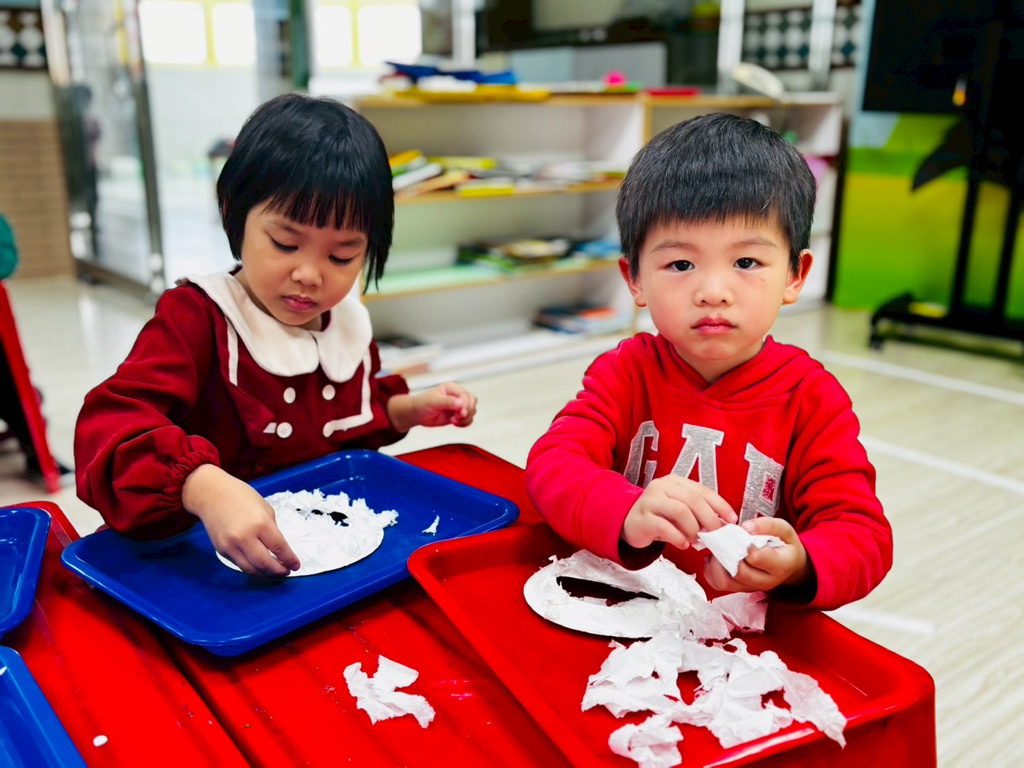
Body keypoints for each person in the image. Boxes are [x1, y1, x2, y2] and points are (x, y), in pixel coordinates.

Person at [75, 94, 477, 577]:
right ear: (234, 212)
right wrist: (201, 486)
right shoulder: (198, 317)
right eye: (286, 244)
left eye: (342, 256)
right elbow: (108, 429)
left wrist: (407, 409)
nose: (310, 274)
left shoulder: (343, 323)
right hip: (197, 563)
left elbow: (347, 426)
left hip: (315, 554)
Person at [525, 113, 892, 610]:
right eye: (681, 264)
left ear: (795, 274)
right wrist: (627, 510)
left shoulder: (811, 397)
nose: (713, 292)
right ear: (634, 279)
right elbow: (553, 466)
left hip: (740, 634)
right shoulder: (624, 372)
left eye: (746, 262)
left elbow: (864, 536)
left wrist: (801, 562)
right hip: (622, 611)